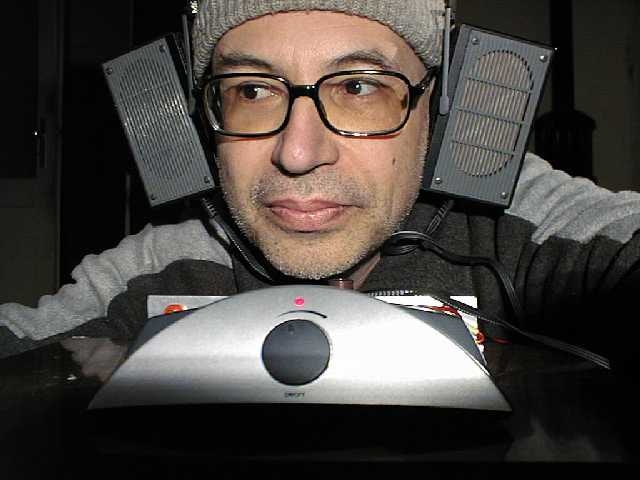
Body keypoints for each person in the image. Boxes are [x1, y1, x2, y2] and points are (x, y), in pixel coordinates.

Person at [1, 0, 639, 375]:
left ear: (437, 112)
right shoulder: (165, 262)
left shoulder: (523, 226)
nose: (298, 153)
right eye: (252, 90)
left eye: (359, 87)